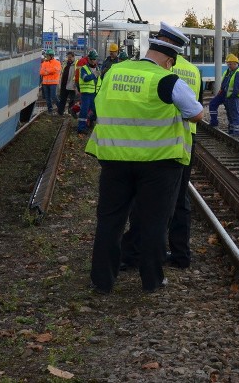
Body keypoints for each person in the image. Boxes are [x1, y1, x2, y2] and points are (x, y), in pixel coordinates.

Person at [86, 22, 203, 294]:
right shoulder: (166, 79)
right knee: (154, 222)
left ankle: (102, 281)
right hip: (158, 164)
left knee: (109, 220)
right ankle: (151, 281)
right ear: (169, 60)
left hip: (114, 159)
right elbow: (196, 113)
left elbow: (101, 102)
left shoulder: (115, 71)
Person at [121, 50, 203, 270]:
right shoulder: (194, 70)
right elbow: (198, 106)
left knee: (147, 199)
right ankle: (180, 254)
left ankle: (137, 253)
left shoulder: (161, 68)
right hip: (187, 139)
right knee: (180, 199)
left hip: (162, 139)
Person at [208, 53, 239, 137]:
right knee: (214, 104)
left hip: (234, 97)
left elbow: (237, 88)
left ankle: (236, 133)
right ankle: (227, 128)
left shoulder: (238, 73)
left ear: (235, 64)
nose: (228, 65)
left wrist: (231, 97)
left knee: (234, 114)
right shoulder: (228, 71)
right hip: (224, 94)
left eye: (230, 64)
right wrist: (221, 90)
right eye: (228, 63)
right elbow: (224, 83)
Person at [76, 50, 101, 135]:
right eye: (92, 59)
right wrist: (94, 75)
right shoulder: (84, 68)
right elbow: (85, 78)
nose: (94, 61)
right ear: (89, 59)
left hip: (95, 93)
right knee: (84, 110)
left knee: (95, 111)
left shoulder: (97, 68)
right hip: (86, 94)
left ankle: (89, 121)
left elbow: (99, 81)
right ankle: (81, 128)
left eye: (95, 59)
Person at [40, 49, 62, 115]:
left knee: (53, 96)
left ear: (51, 56)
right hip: (45, 83)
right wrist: (48, 71)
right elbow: (41, 72)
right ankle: (50, 109)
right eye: (46, 55)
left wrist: (46, 71)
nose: (46, 56)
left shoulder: (57, 62)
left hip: (53, 82)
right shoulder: (44, 63)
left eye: (47, 55)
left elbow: (55, 70)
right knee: (47, 98)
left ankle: (60, 108)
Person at [56, 51, 78, 116]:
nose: (69, 58)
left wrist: (75, 84)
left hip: (72, 85)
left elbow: (77, 74)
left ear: (73, 57)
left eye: (70, 57)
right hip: (64, 84)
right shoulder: (65, 63)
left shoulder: (76, 64)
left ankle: (70, 113)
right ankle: (60, 113)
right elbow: (61, 72)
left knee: (72, 100)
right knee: (62, 99)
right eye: (68, 57)